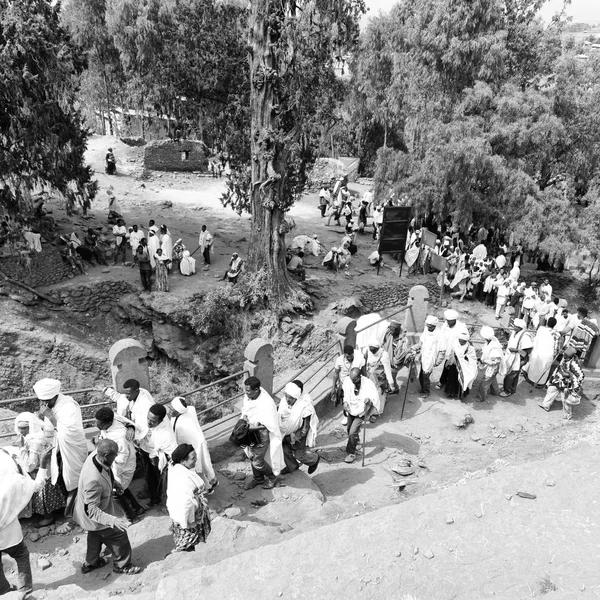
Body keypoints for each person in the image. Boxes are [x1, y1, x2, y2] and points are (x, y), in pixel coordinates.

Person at [74, 439, 141, 575]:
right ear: (106, 456)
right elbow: (92, 510)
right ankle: (122, 565)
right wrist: (113, 521)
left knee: (95, 535)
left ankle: (91, 562)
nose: (116, 457)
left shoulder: (95, 455)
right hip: (93, 513)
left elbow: (106, 470)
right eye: (114, 455)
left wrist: (114, 483)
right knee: (119, 535)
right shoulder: (93, 479)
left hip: (88, 512)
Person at [33, 378, 88, 526]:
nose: (43, 404)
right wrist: (43, 417)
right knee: (61, 480)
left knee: (74, 481)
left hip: (71, 449)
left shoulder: (69, 406)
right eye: (41, 401)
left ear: (54, 395)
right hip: (57, 448)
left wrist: (50, 416)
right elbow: (49, 428)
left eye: (46, 400)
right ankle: (67, 510)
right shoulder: (52, 405)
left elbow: (70, 431)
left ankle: (71, 517)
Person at [0, 445, 52, 598]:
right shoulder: (14, 481)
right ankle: (25, 590)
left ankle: (4, 590)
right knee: (21, 554)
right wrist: (43, 464)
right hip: (9, 532)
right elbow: (37, 486)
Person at [105, 380, 157, 506]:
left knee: (153, 471)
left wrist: (131, 427)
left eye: (128, 393)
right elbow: (120, 398)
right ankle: (150, 490)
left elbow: (143, 428)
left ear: (136, 391)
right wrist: (106, 390)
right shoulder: (135, 395)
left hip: (150, 443)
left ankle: (156, 499)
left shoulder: (145, 405)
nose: (126, 396)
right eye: (125, 393)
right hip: (142, 442)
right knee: (147, 470)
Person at [94, 408, 145, 521]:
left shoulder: (120, 437)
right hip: (114, 465)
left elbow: (122, 458)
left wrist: (110, 471)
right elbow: (125, 421)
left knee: (115, 491)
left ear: (108, 423)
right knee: (122, 489)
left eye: (99, 422)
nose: (96, 424)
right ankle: (137, 509)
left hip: (121, 467)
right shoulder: (112, 421)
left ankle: (131, 517)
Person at [166, 444, 212, 553]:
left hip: (187, 514)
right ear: (183, 461)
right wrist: (190, 522)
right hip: (188, 518)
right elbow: (185, 503)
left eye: (195, 456)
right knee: (188, 542)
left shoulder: (176, 468)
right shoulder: (183, 479)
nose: (196, 460)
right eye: (193, 458)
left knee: (191, 542)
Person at [240, 376, 284, 490]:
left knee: (257, 462)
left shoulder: (266, 403)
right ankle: (258, 479)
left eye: (248, 391)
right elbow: (246, 409)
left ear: (256, 390)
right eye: (245, 390)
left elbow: (268, 424)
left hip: (261, 435)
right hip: (250, 433)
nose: (246, 393)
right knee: (251, 456)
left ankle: (273, 478)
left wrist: (250, 428)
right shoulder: (249, 397)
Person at [170, 397, 217, 492]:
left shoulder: (182, 424)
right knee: (202, 467)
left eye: (173, 408)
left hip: (192, 449)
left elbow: (181, 438)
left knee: (197, 470)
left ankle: (207, 488)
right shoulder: (190, 410)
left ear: (178, 410)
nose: (171, 410)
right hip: (196, 446)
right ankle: (211, 483)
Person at [278, 382, 319, 475]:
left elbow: (305, 428)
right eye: (286, 396)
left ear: (296, 397)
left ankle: (314, 459)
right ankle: (291, 466)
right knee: (284, 449)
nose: (288, 400)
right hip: (285, 431)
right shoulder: (283, 402)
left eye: (291, 398)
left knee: (299, 455)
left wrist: (293, 437)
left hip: (298, 434)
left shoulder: (304, 407)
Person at [341, 368, 380, 464]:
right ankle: (356, 441)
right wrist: (345, 402)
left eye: (355, 380)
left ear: (359, 377)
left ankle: (351, 453)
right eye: (351, 379)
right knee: (349, 429)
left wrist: (369, 400)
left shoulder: (368, 384)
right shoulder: (348, 381)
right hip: (351, 409)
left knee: (352, 432)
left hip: (361, 411)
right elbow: (346, 393)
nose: (353, 382)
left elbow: (373, 396)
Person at [538, 346, 584, 420]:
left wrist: (570, 377)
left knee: (566, 400)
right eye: (564, 354)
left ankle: (567, 415)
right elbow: (559, 361)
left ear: (569, 356)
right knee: (551, 390)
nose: (563, 355)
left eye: (565, 355)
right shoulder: (564, 358)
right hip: (558, 380)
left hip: (567, 384)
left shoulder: (574, 364)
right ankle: (546, 405)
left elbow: (581, 375)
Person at [331, 345, 366, 426]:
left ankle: (357, 416)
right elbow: (336, 373)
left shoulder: (358, 359)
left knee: (356, 400)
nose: (350, 358)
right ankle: (346, 416)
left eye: (351, 356)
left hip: (355, 384)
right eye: (348, 356)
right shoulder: (339, 360)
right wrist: (333, 387)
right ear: (344, 354)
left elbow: (363, 371)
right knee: (345, 401)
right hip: (343, 385)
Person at [436, 309, 468, 397]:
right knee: (446, 366)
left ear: (455, 320)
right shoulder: (445, 325)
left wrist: (456, 352)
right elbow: (442, 337)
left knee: (454, 369)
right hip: (447, 350)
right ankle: (442, 381)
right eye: (448, 321)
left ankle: (452, 387)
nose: (449, 323)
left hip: (456, 352)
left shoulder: (461, 327)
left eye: (451, 321)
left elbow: (464, 339)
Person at [523, 316, 562, 387]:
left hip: (538, 351)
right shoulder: (557, 334)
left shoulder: (541, 329)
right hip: (548, 354)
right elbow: (557, 348)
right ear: (554, 325)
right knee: (543, 369)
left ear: (547, 322)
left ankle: (530, 379)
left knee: (535, 366)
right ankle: (539, 383)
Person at [500, 319, 534, 397]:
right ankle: (512, 389)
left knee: (510, 375)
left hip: (520, 359)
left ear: (520, 328)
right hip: (513, 357)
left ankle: (507, 391)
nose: (514, 327)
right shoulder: (515, 333)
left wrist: (516, 350)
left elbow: (528, 350)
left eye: (516, 326)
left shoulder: (525, 336)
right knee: (515, 374)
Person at [363, 340, 395, 420]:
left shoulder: (384, 355)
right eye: (371, 349)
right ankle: (368, 411)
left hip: (379, 378)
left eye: (374, 350)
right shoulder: (366, 351)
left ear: (378, 348)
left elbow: (388, 370)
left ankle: (376, 412)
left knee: (378, 394)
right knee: (369, 394)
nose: (372, 351)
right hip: (369, 376)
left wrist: (391, 383)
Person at [147, 404, 178, 482]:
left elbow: (174, 456)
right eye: (148, 418)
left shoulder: (166, 435)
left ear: (160, 421)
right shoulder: (158, 425)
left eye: (152, 421)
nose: (148, 422)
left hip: (168, 465)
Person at [416, 315, 442, 398]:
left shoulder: (439, 334)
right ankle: (422, 388)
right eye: (428, 326)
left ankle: (426, 391)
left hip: (431, 358)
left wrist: (438, 360)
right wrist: (419, 353)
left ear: (434, 326)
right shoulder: (426, 330)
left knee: (426, 376)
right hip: (424, 356)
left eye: (430, 327)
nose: (428, 328)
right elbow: (422, 341)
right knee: (421, 375)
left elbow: (442, 349)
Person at [477, 326, 503, 402]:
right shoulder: (490, 342)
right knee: (492, 379)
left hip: (492, 368)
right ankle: (495, 391)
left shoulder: (494, 347)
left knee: (484, 383)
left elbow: (496, 361)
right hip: (491, 367)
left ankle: (481, 397)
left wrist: (484, 361)